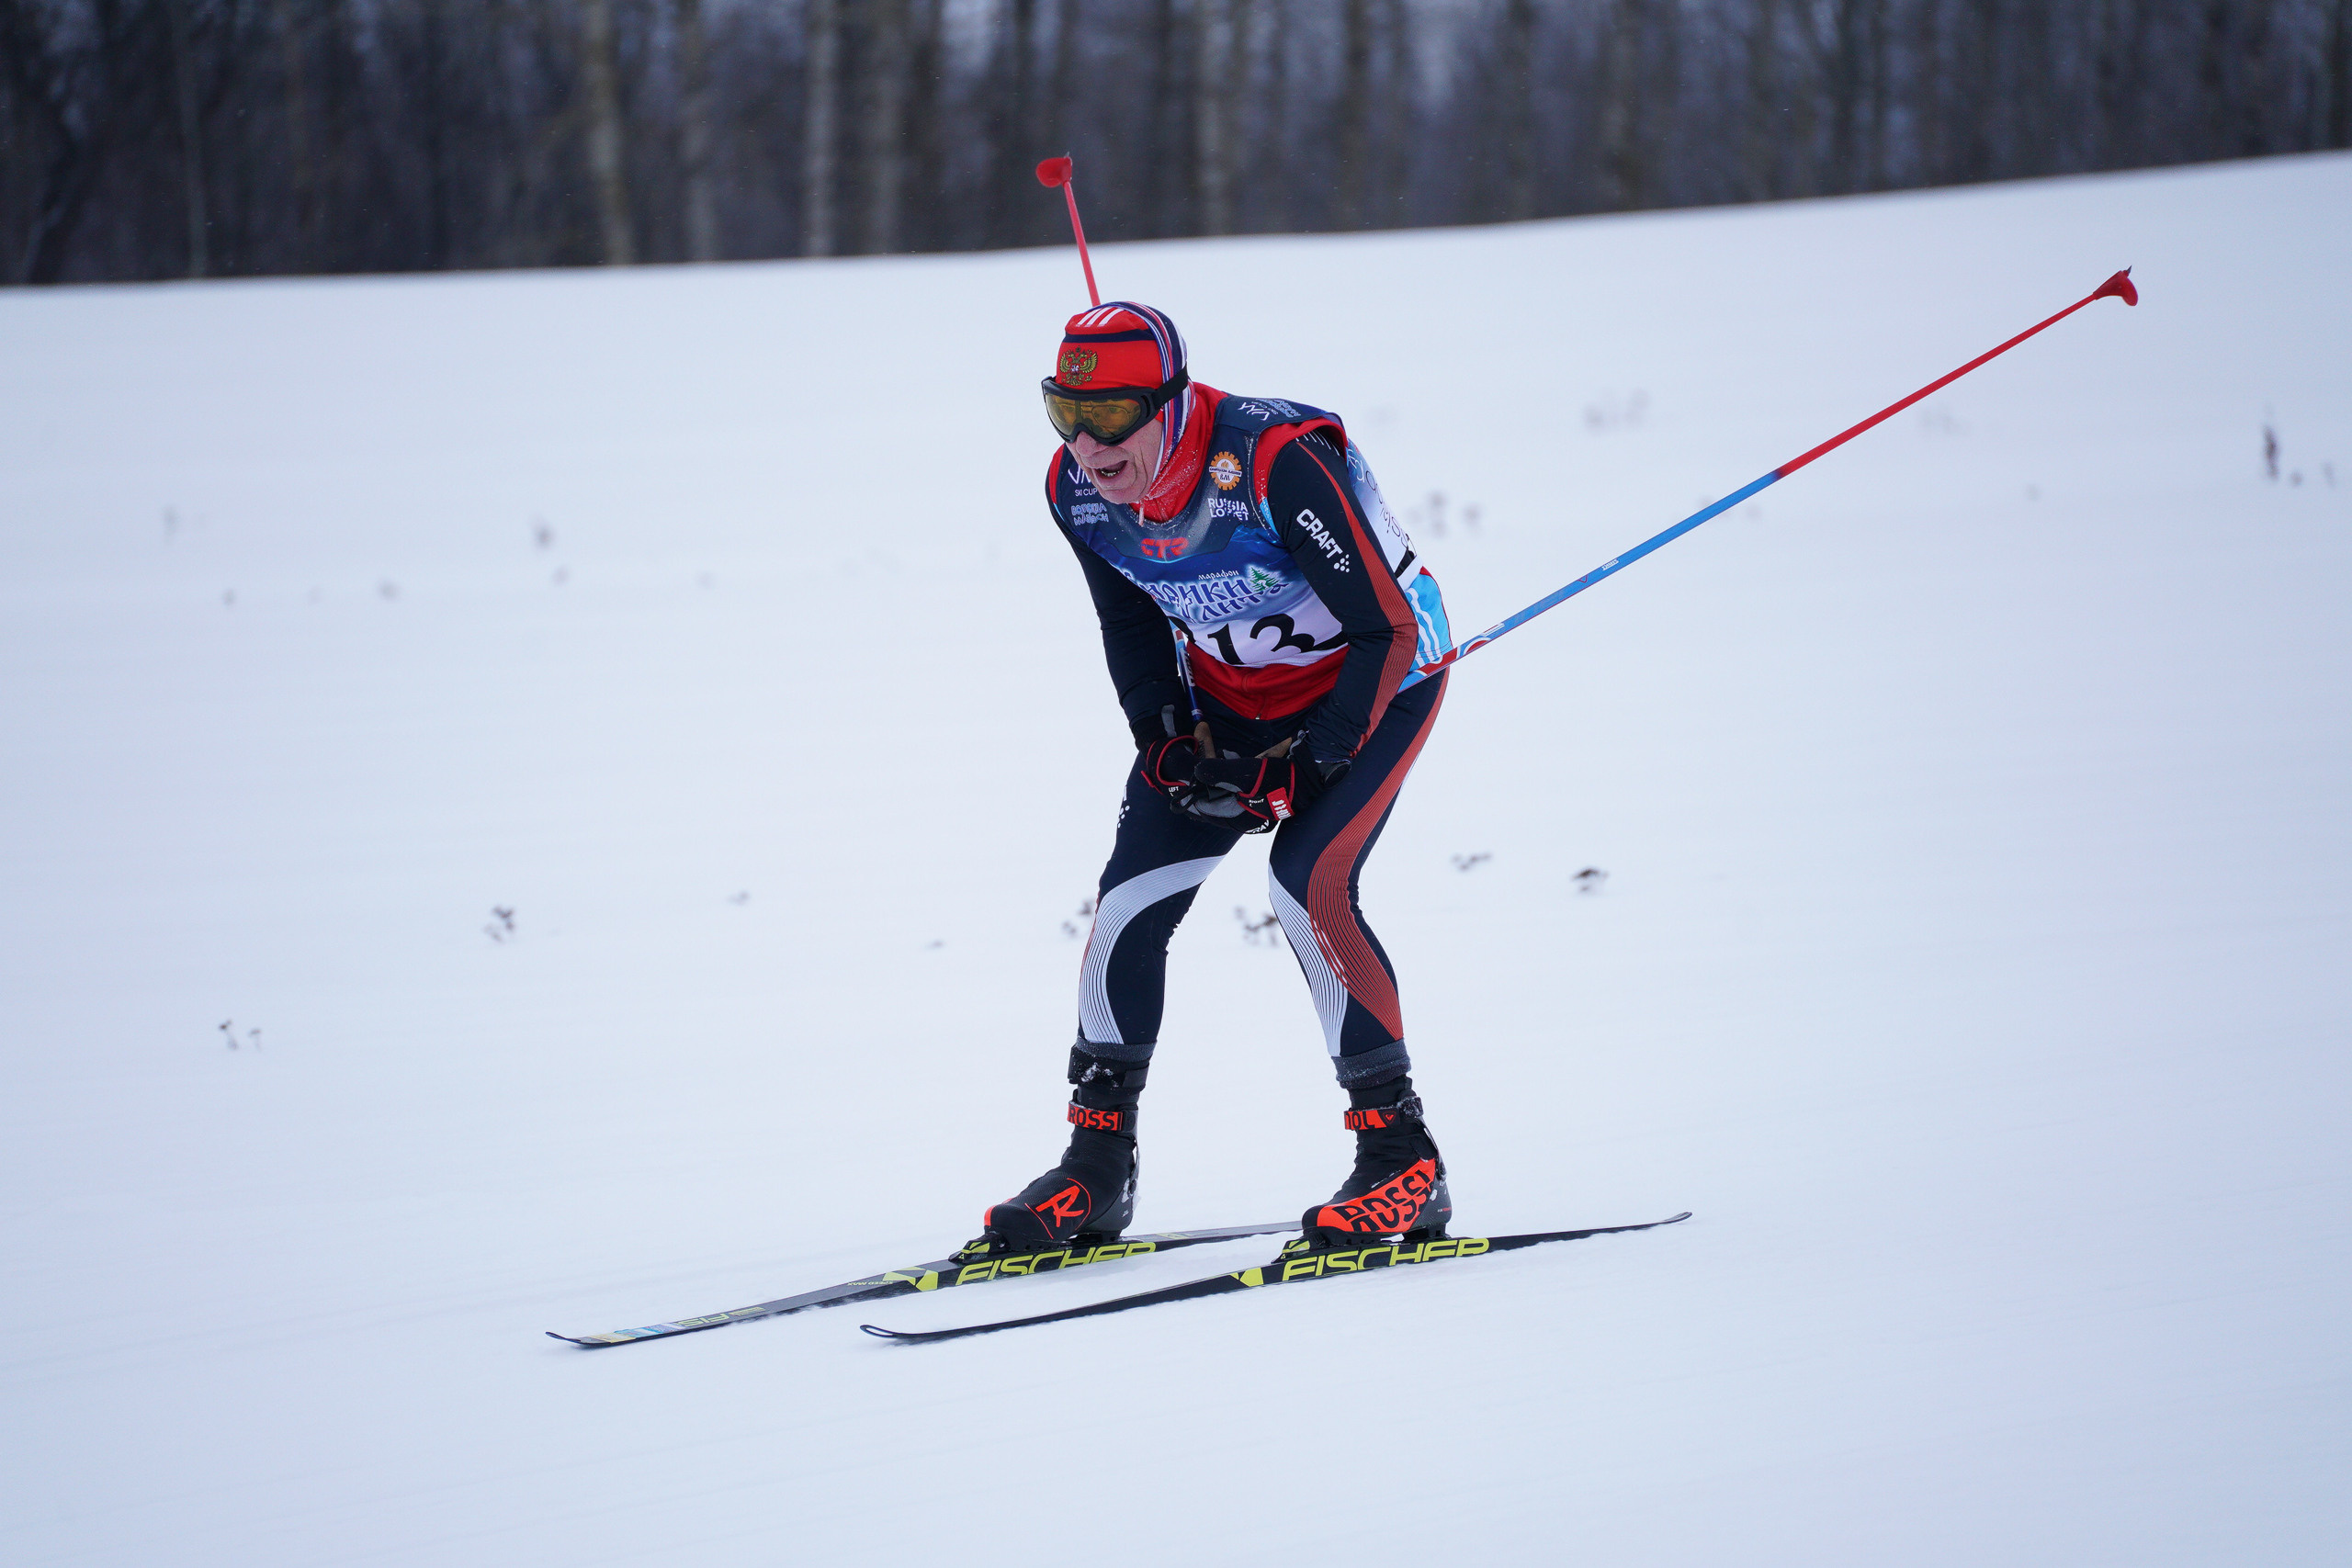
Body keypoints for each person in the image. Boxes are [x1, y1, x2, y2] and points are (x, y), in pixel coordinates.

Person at [976, 300, 1457, 1254]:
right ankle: (1097, 1168)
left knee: (1304, 882)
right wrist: (1162, 734)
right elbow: (1131, 624)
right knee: (1126, 905)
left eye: (1111, 415)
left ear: (1171, 401)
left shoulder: (1272, 465)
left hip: (1373, 681)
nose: (1088, 443)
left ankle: (1402, 1160)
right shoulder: (1074, 492)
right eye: (1063, 414)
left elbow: (1385, 626)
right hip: (1227, 701)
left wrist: (1313, 757)